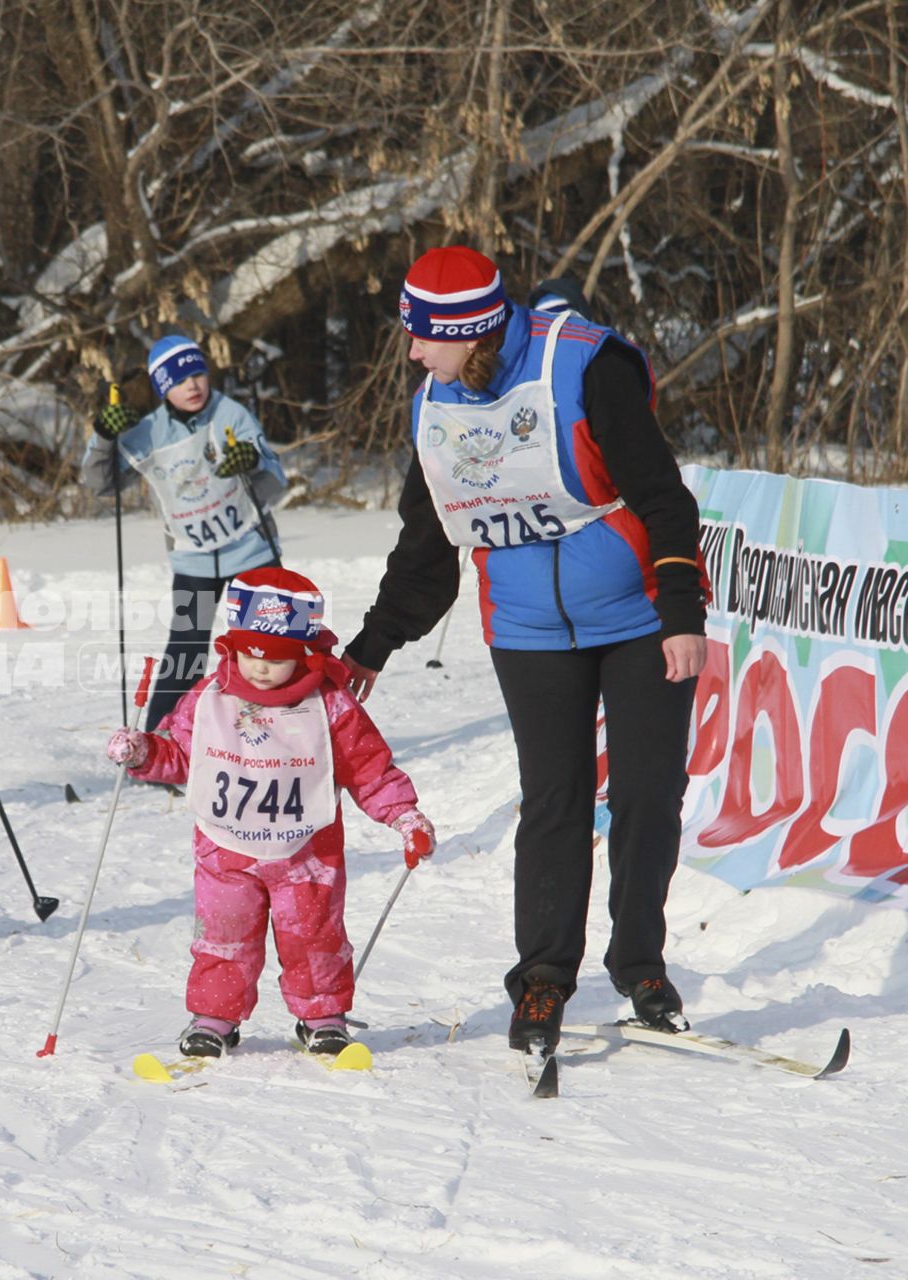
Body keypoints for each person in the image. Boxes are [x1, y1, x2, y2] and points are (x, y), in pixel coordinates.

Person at [341, 245, 708, 1055]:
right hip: (529, 631)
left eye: (424, 337)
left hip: (641, 615)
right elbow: (429, 546)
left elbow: (661, 493)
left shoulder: (586, 368)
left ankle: (641, 964)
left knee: (648, 794)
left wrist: (682, 608)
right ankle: (543, 979)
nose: (412, 353)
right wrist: (374, 644)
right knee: (555, 800)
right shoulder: (437, 403)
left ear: (470, 332)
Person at [105, 567, 435, 1059]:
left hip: (306, 854)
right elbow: (181, 756)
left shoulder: (331, 706)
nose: (259, 669)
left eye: (276, 659)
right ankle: (215, 1017)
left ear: (306, 652)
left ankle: (322, 1016)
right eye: (249, 654)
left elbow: (369, 770)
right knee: (223, 934)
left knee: (313, 936)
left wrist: (404, 815)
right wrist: (143, 753)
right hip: (224, 850)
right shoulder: (208, 699)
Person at [82, 336, 288, 730]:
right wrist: (104, 438)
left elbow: (276, 482)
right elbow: (100, 484)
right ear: (163, 389)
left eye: (197, 374)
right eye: (178, 380)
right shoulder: (147, 433)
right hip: (193, 556)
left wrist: (253, 463)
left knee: (269, 645)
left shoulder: (231, 415)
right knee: (186, 652)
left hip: (252, 548)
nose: (192, 385)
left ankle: (282, 731)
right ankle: (163, 739)